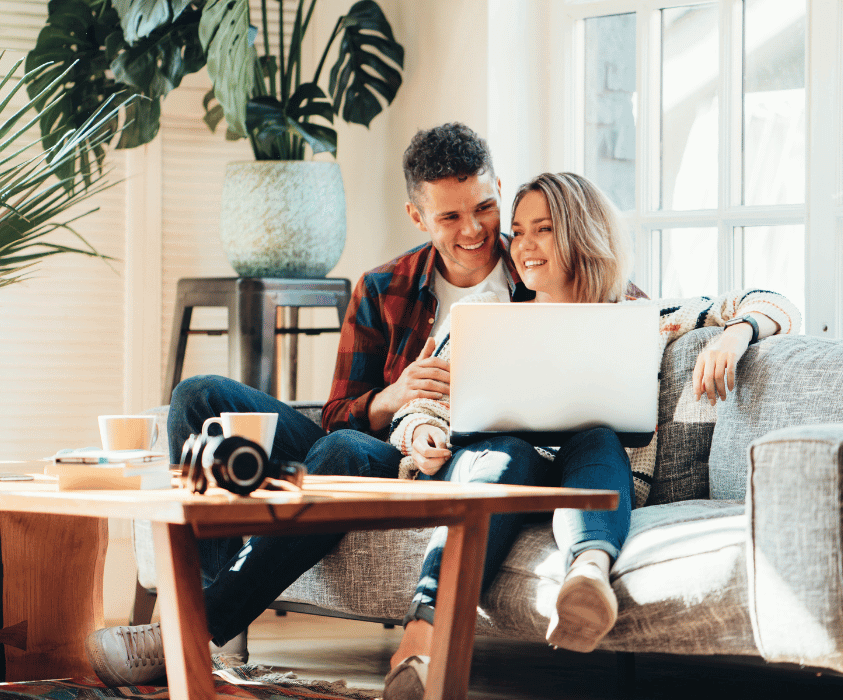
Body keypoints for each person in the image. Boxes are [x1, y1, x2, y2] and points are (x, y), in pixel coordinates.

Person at [84, 123, 554, 687]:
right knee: (199, 398)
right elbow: (337, 411)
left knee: (342, 449)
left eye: (484, 207)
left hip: (448, 464)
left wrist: (693, 331)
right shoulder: (383, 287)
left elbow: (626, 299)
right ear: (417, 217)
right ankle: (217, 610)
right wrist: (396, 395)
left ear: (499, 189)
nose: (474, 229)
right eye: (450, 218)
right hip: (377, 446)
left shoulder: (540, 266)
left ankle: (196, 628)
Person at [379, 172, 801, 700]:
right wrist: (421, 436)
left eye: (543, 230)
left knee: (598, 435)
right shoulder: (481, 319)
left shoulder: (643, 320)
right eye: (518, 231)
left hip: (589, 480)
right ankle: (419, 641)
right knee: (509, 451)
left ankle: (588, 578)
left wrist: (737, 333)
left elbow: (772, 300)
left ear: (580, 233)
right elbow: (422, 405)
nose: (523, 247)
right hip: (498, 473)